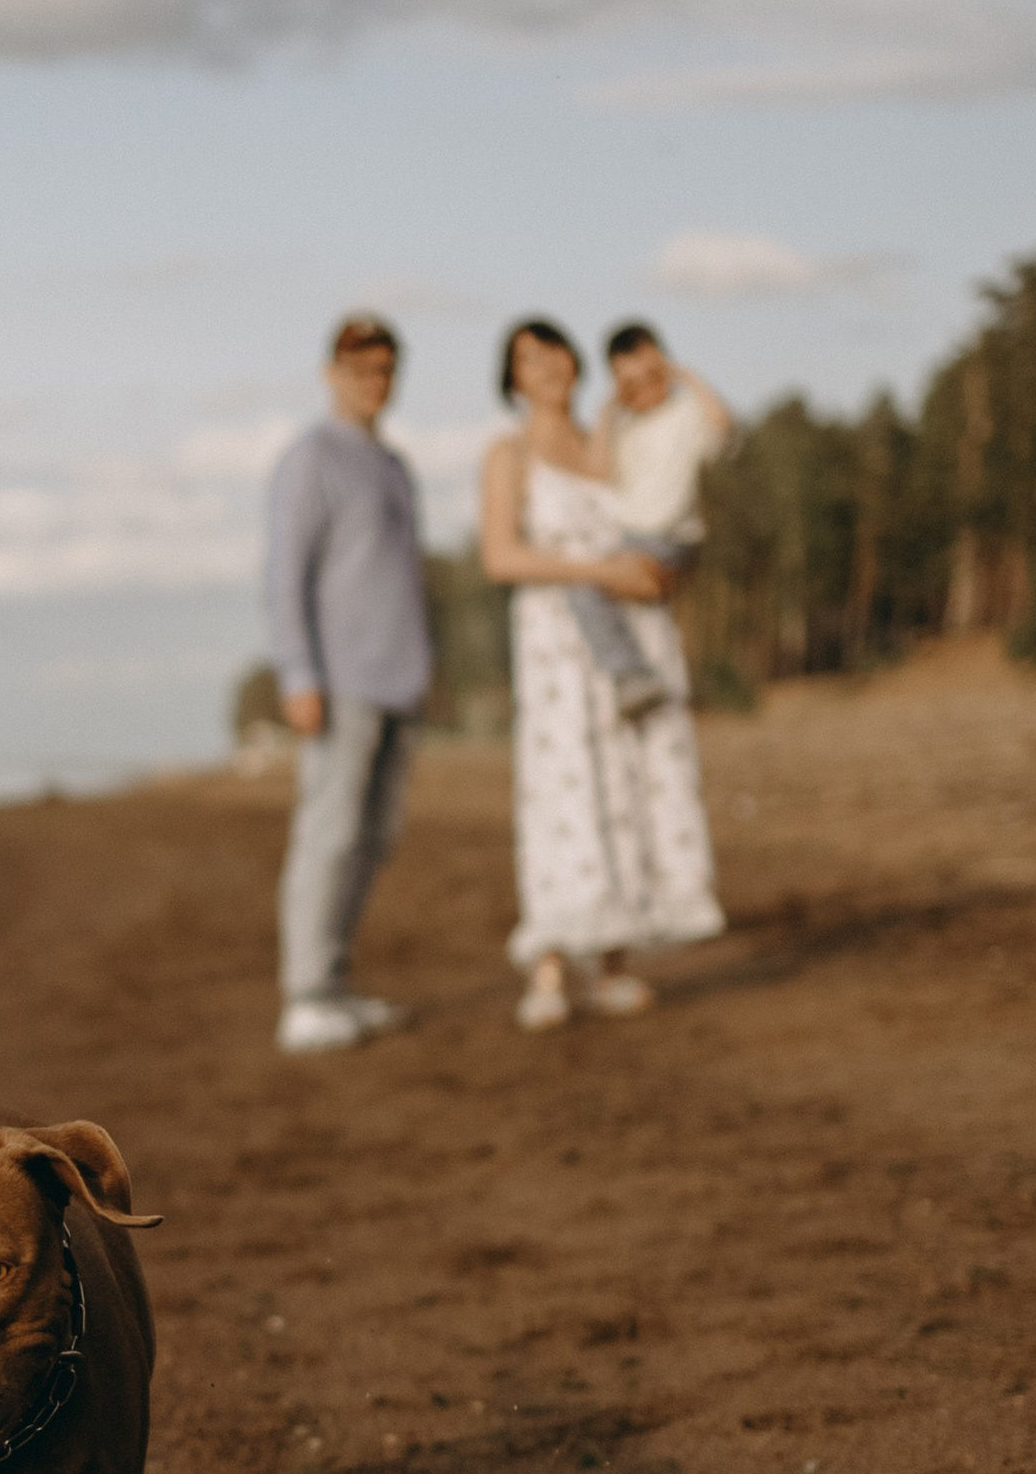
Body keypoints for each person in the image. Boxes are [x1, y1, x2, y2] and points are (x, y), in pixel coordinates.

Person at [478, 316, 724, 1031]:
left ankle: (614, 961)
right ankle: (551, 965)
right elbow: (501, 557)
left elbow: (661, 520)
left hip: (635, 634)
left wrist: (658, 575)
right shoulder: (508, 452)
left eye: (553, 349)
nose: (546, 366)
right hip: (558, 646)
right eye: (527, 359)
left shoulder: (610, 439)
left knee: (627, 787)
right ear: (512, 380)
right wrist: (598, 573)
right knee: (564, 790)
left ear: (575, 361)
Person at [264, 310, 432, 1054]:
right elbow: (284, 575)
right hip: (339, 684)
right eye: (361, 369)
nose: (374, 381)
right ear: (331, 373)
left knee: (375, 837)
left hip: (401, 681)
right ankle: (304, 997)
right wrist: (298, 673)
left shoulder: (393, 465)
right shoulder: (311, 459)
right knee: (327, 836)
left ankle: (335, 983)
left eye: (385, 369)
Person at [556, 321, 733, 719]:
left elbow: (723, 424)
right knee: (586, 585)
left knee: (584, 584)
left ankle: (631, 676)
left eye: (652, 377)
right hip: (631, 538)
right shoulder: (624, 426)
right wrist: (609, 409)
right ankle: (633, 676)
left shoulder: (686, 412)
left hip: (668, 538)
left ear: (665, 368)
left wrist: (685, 376)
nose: (644, 390)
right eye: (630, 384)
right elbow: (598, 472)